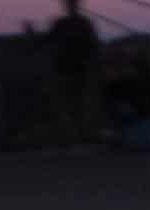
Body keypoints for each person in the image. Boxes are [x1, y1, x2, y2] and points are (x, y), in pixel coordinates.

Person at [44, 0, 104, 145]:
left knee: (76, 103)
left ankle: (78, 136)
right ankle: (78, 136)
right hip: (69, 69)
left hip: (75, 69)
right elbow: (94, 45)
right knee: (74, 104)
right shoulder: (75, 24)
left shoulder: (76, 24)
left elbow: (93, 46)